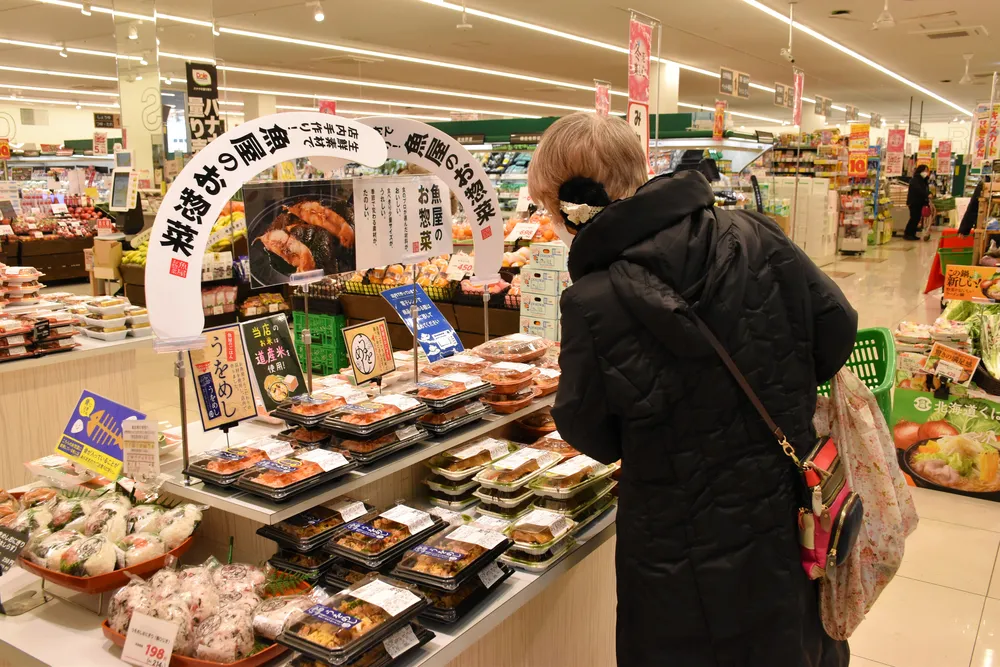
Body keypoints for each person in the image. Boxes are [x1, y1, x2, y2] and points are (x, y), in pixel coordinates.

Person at [528, 112, 858, 667]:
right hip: (783, 509)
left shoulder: (593, 301)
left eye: (548, 207)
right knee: (786, 640)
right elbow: (836, 329)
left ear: (575, 201)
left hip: (674, 544)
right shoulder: (756, 233)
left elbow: (591, 431)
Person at [904, 164, 932, 240]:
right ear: (920, 171)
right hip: (914, 202)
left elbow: (925, 189)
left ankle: (912, 234)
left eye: (927, 171)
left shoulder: (923, 180)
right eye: (925, 170)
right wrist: (927, 194)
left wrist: (929, 193)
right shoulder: (915, 180)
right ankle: (908, 234)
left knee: (916, 218)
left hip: (919, 202)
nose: (926, 172)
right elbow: (919, 190)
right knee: (914, 218)